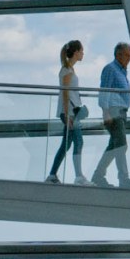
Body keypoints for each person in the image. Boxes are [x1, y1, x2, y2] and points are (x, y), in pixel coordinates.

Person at [92, 41, 130, 188]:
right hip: (114, 112)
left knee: (114, 146)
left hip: (122, 112)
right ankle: (124, 179)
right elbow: (104, 90)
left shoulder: (123, 72)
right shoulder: (110, 69)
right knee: (121, 146)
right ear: (119, 55)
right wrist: (105, 113)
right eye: (127, 56)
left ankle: (98, 176)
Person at [45, 40, 88, 185]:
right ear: (76, 52)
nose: (83, 53)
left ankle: (52, 175)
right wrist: (66, 113)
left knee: (66, 144)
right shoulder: (67, 70)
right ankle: (79, 176)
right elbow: (65, 92)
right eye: (81, 51)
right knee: (79, 142)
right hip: (69, 112)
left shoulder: (69, 69)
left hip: (70, 111)